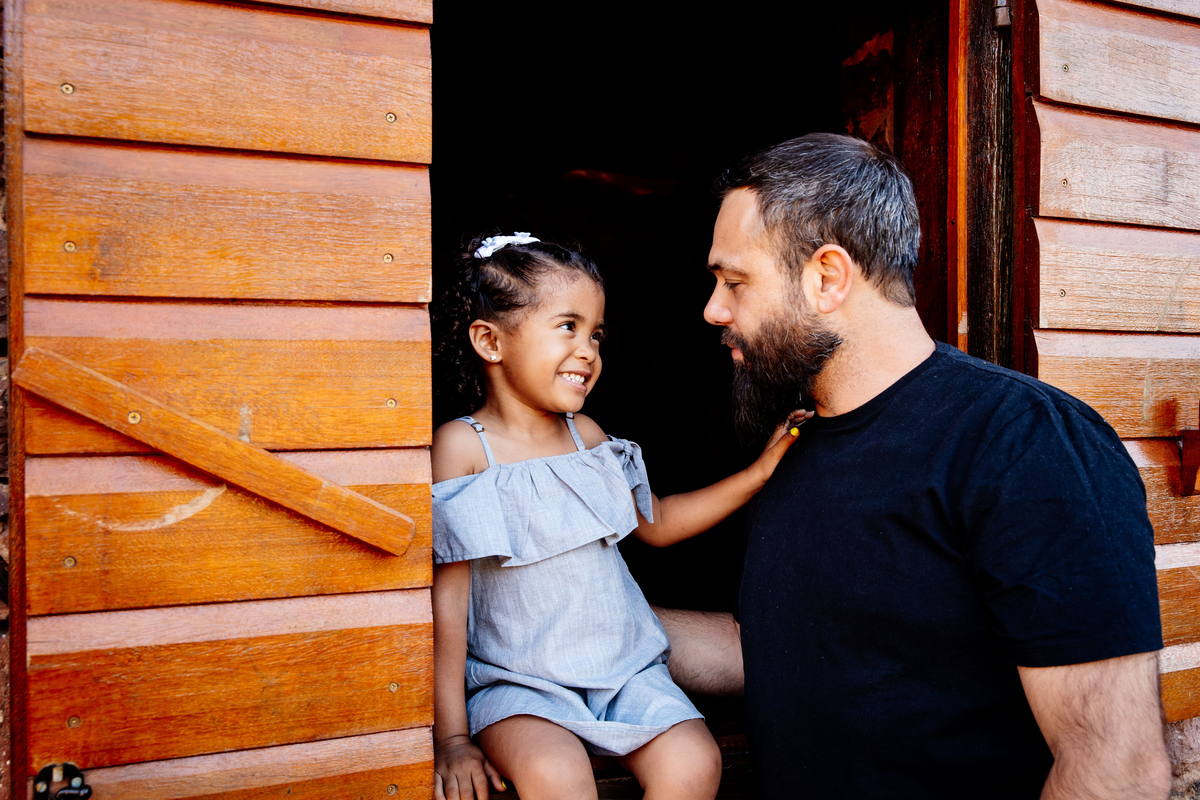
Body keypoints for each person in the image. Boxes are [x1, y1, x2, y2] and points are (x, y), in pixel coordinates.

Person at [662, 133, 1171, 799]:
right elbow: (784, 649)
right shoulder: (797, 444)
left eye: (735, 281)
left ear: (828, 276)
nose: (714, 310)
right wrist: (566, 619)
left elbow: (1116, 772)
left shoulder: (1025, 443)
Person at [430, 233, 809, 800]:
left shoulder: (587, 439)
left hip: (625, 673)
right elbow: (450, 603)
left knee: (695, 761)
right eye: (568, 327)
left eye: (596, 335)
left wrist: (757, 474)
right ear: (490, 341)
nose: (588, 350)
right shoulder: (463, 448)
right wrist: (452, 737)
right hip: (520, 686)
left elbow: (654, 523)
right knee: (556, 775)